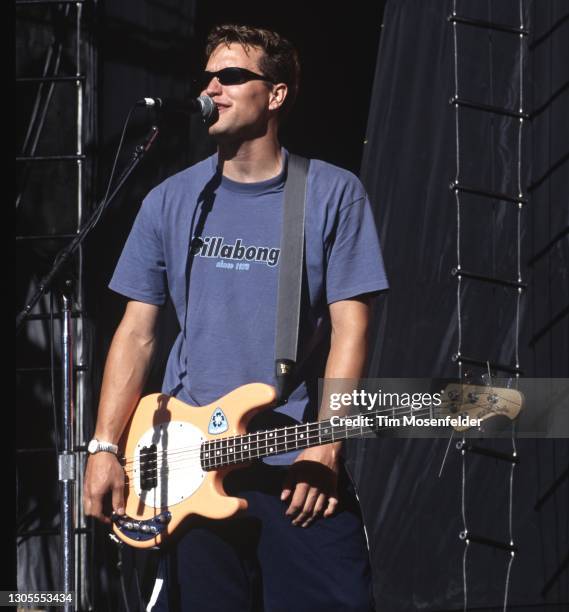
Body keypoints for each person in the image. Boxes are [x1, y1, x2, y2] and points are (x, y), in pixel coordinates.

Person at [84, 23, 388, 612]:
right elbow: (136, 332)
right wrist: (103, 446)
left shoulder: (331, 193)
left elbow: (352, 327)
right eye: (208, 78)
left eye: (231, 77)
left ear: (275, 95)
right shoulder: (170, 199)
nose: (212, 89)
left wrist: (327, 441)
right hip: (187, 465)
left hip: (292, 463)